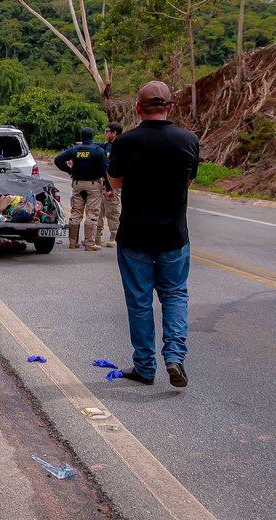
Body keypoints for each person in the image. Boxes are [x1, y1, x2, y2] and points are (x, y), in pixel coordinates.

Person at [107, 80, 200, 387]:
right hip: (174, 236)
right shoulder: (188, 140)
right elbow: (187, 183)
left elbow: (116, 183)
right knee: (174, 295)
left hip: (135, 236)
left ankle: (145, 367)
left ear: (137, 108)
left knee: (139, 301)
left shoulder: (125, 142)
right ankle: (174, 356)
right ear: (170, 108)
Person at [54, 127, 108, 251]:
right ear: (92, 137)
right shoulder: (98, 151)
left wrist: (70, 171)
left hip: (78, 183)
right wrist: (108, 187)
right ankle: (89, 243)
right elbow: (105, 169)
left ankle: (73, 242)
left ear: (81, 137)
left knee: (76, 212)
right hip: (94, 184)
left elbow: (58, 160)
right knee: (92, 213)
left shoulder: (75, 150)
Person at [95, 122, 123, 247]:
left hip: (114, 183)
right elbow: (98, 145)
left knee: (112, 210)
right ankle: (97, 237)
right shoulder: (107, 145)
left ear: (114, 133)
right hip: (103, 181)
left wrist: (112, 187)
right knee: (99, 209)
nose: (105, 133)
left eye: (107, 131)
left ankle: (115, 237)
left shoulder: (120, 146)